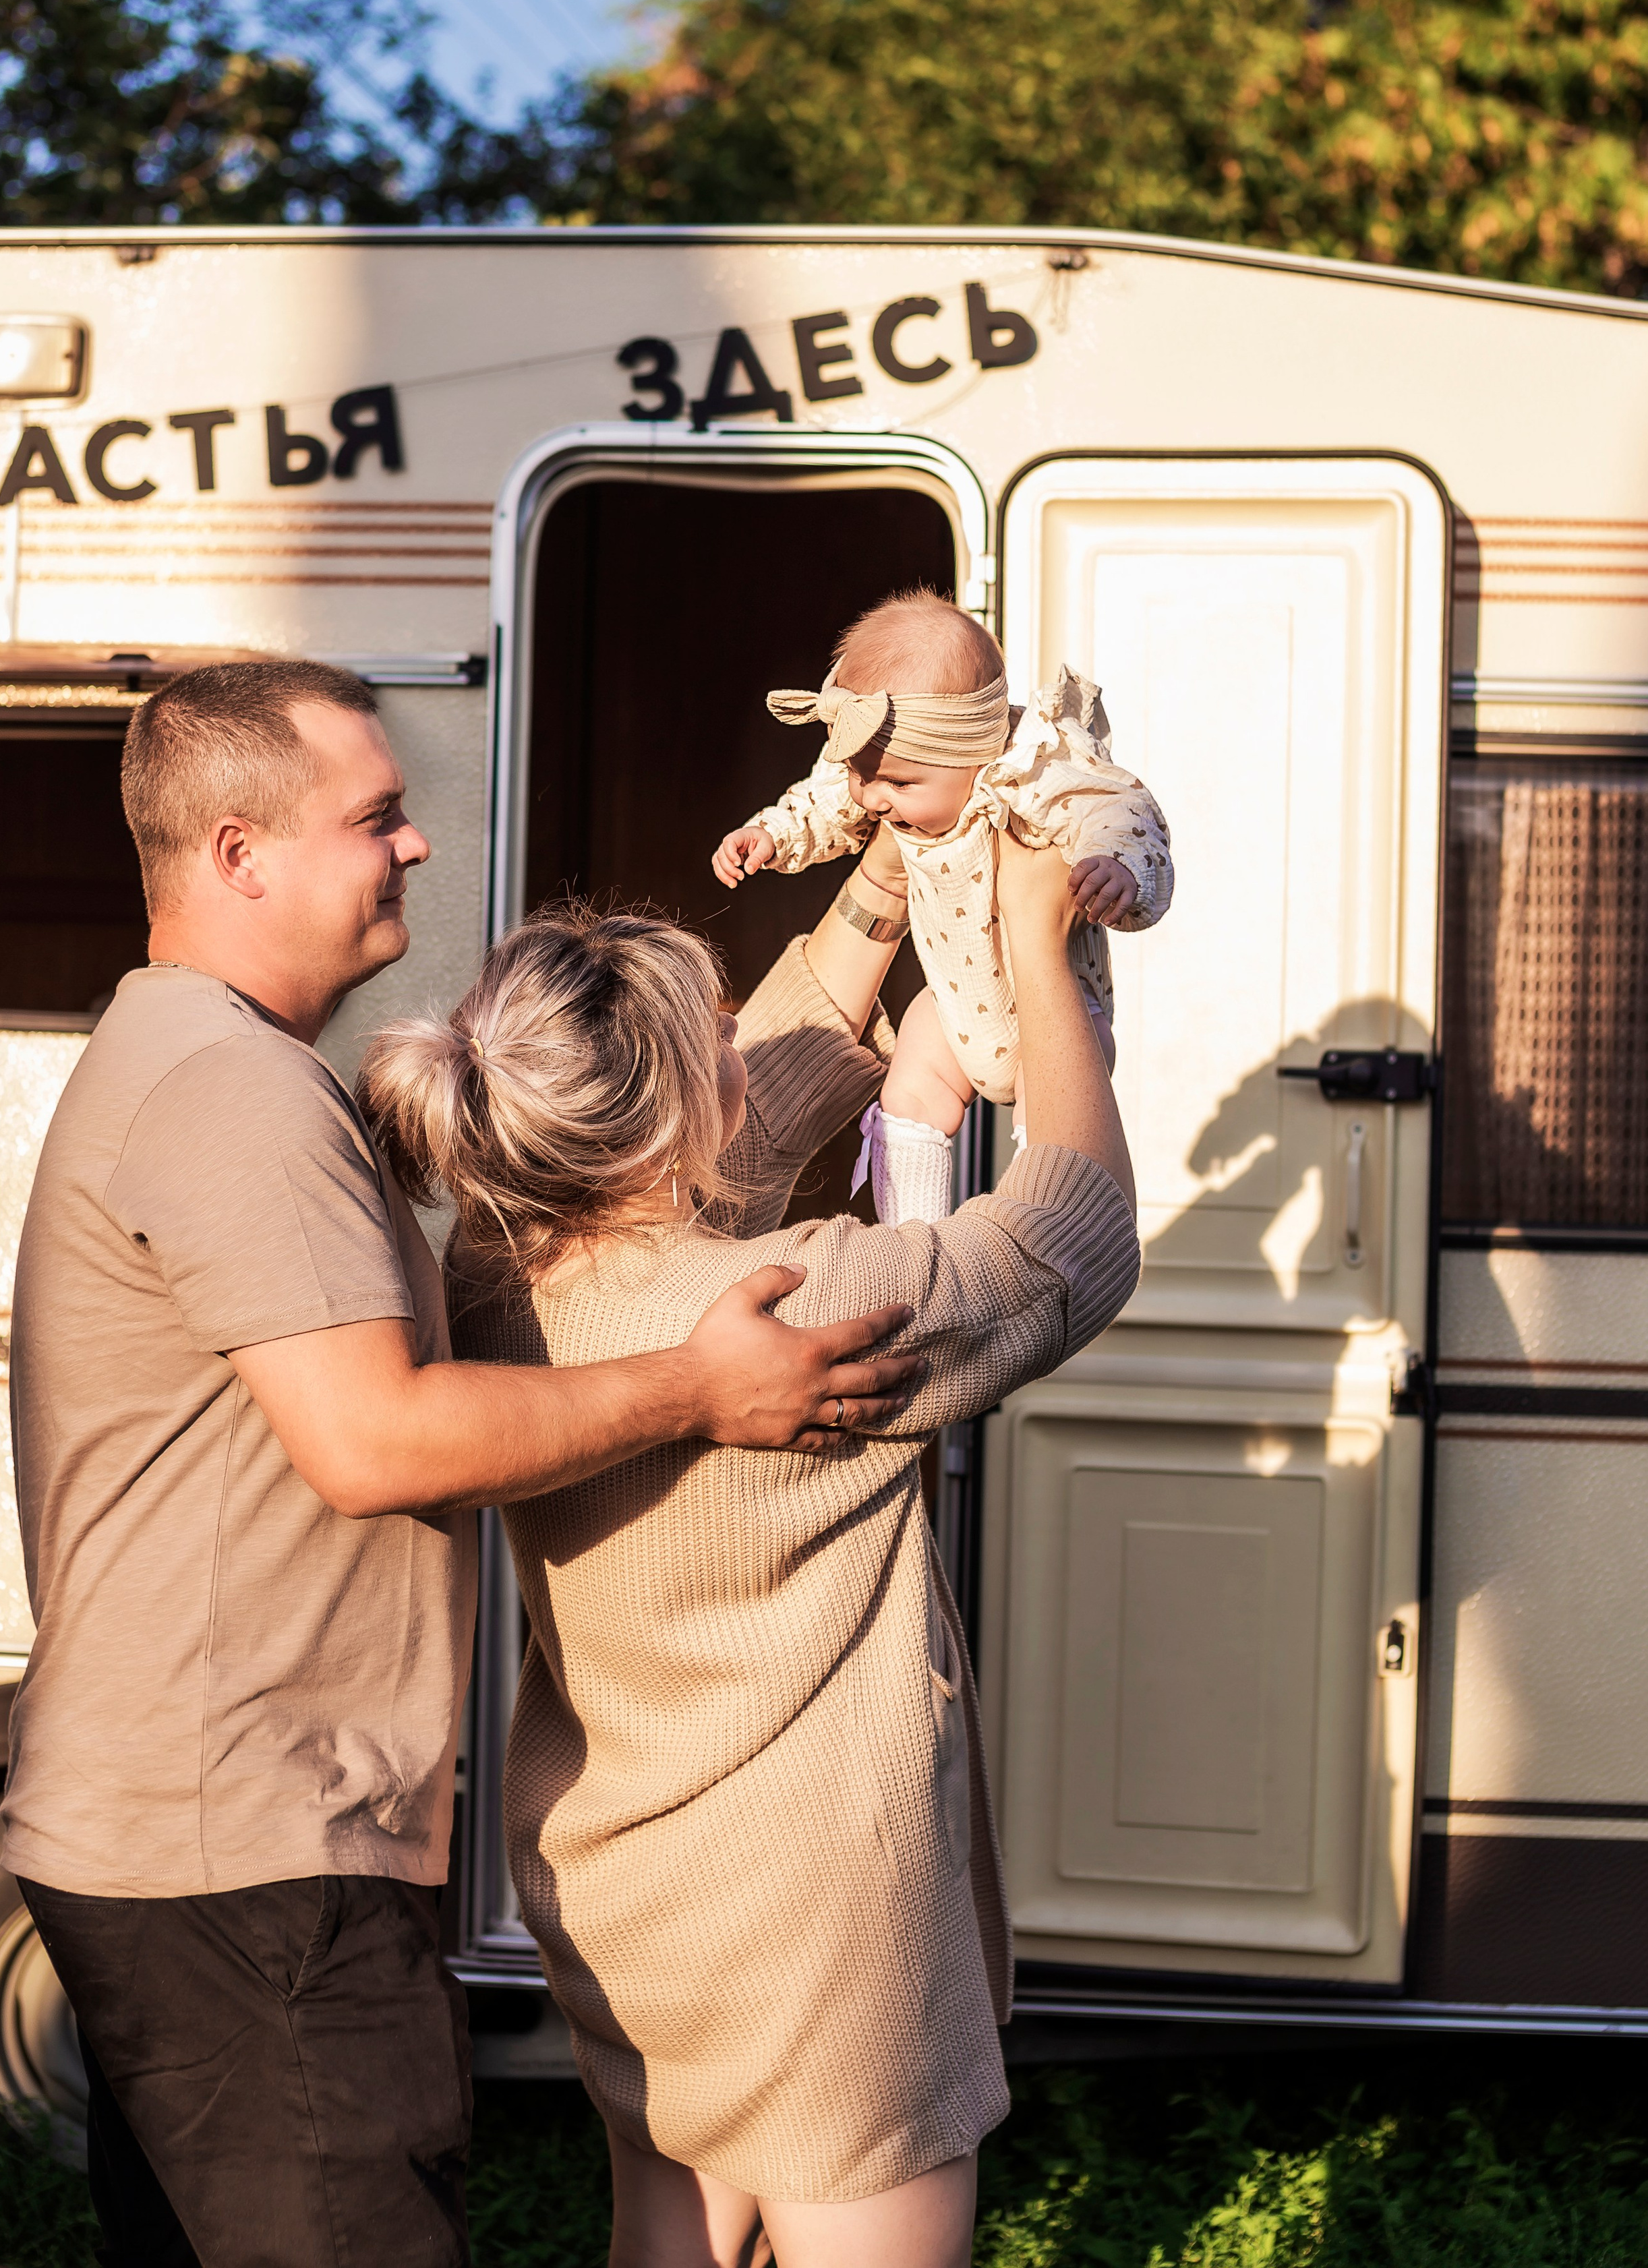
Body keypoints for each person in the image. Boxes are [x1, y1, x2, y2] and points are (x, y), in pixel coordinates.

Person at [1, 659, 917, 2268]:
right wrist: (699, 1382)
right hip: (249, 1852)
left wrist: (883, 895)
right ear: (239, 853)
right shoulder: (233, 1090)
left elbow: (637, 1170)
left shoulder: (205, 1058)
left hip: (197, 1836)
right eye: (376, 815)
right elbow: (377, 1437)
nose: (414, 847)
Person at [357, 804, 1142, 2268]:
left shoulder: (497, 1274)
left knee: (665, 2240)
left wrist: (903, 859)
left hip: (630, 1885)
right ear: (667, 1124)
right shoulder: (791, 1315)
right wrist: (1035, 949)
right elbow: (1073, 1236)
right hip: (820, 1928)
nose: (743, 1042)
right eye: (713, 1030)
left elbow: (741, 1102)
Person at [712, 587, 1172, 1226]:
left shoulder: (1032, 771)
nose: (871, 797)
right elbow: (823, 803)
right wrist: (771, 835)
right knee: (910, 1086)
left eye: (899, 783)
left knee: (1060, 1112)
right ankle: (912, 1233)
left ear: (975, 753)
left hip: (1061, 1002)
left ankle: (1034, 1224)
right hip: (957, 1000)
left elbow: (1120, 809)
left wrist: (1117, 868)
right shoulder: (879, 778)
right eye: (859, 773)